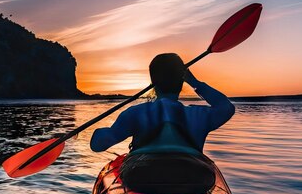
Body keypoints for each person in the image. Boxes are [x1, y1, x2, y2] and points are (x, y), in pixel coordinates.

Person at [90, 53, 235, 153]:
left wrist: (99, 132)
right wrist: (195, 83)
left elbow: (97, 145)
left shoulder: (135, 114)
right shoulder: (198, 116)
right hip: (191, 182)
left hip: (143, 182)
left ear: (153, 82)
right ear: (182, 81)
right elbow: (227, 107)